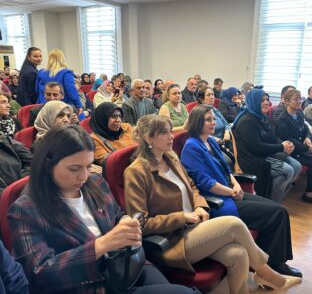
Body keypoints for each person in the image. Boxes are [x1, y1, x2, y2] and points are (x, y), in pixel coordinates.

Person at [8, 125, 199, 294]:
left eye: (89, 166)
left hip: (124, 266)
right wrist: (101, 245)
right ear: (48, 166)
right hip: (89, 283)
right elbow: (41, 272)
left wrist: (124, 222)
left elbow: (117, 214)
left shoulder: (96, 183)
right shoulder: (25, 209)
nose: (83, 176)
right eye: (74, 168)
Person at [124, 114, 301, 294]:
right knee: (233, 223)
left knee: (238, 254)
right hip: (172, 239)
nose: (172, 136)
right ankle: (268, 274)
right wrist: (182, 217)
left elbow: (192, 185)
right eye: (164, 132)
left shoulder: (170, 158)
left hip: (194, 227)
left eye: (171, 131)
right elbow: (141, 224)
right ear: (148, 137)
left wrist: (200, 206)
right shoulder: (136, 172)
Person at [181, 105, 302, 278]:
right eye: (208, 119)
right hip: (218, 201)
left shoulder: (209, 141)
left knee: (278, 209)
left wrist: (236, 184)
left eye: (213, 119)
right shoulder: (191, 147)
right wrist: (231, 192)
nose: (213, 122)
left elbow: (226, 169)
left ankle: (271, 261)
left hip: (230, 192)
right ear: (197, 122)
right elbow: (205, 183)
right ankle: (274, 265)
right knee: (276, 213)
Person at [232, 89, 302, 203]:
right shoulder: (247, 121)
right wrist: (281, 147)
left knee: (297, 166)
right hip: (252, 159)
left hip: (266, 154)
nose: (266, 102)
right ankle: (272, 203)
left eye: (267, 99)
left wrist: (285, 144)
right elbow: (256, 148)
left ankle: (274, 197)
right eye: (262, 100)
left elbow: (273, 138)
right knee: (288, 171)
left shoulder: (263, 117)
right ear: (254, 101)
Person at [275, 89, 312, 205]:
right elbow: (289, 141)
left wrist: (307, 137)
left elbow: (305, 130)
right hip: (291, 151)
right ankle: (309, 194)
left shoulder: (299, 114)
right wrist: (308, 148)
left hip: (300, 147)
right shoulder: (282, 119)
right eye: (295, 99)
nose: (299, 102)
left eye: (300, 99)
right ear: (286, 102)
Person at [36, 49, 83, 115]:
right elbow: (71, 91)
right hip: (61, 108)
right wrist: (79, 105)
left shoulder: (41, 72)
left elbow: (36, 90)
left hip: (43, 107)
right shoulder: (66, 73)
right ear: (62, 59)